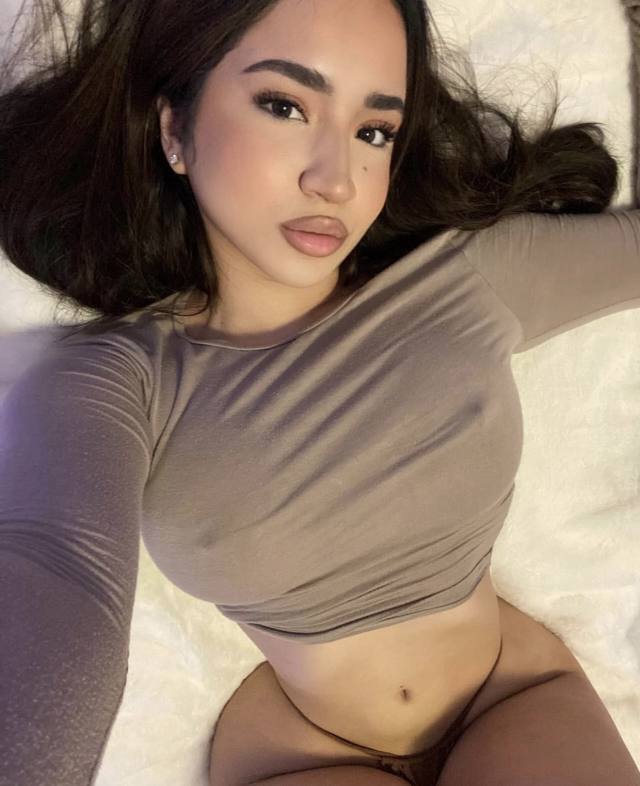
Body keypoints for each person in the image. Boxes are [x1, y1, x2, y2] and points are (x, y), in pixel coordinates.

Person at [1, 1, 640, 785]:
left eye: (374, 131)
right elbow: (62, 571)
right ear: (174, 131)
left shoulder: (469, 278)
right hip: (302, 750)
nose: (335, 181)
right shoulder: (115, 378)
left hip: (513, 695)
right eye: (284, 105)